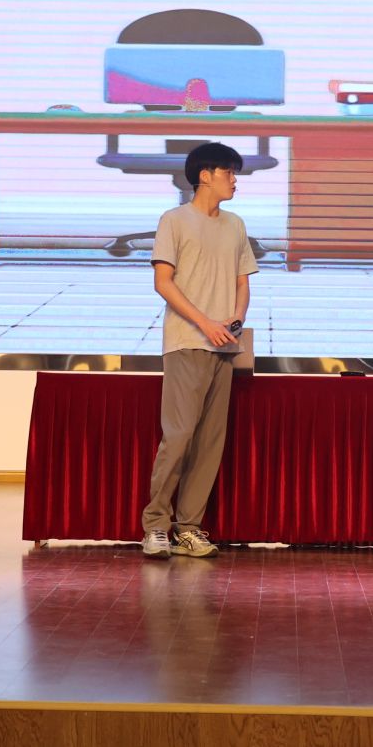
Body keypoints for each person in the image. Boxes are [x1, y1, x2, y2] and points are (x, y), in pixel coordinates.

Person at [141, 142, 258, 559]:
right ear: (204, 176)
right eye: (229, 172)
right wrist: (205, 322)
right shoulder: (174, 220)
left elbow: (243, 281)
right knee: (179, 436)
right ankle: (156, 525)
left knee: (210, 441)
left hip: (225, 347)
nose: (235, 181)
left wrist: (236, 319)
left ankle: (189, 529)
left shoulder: (235, 224)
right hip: (186, 341)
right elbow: (163, 282)